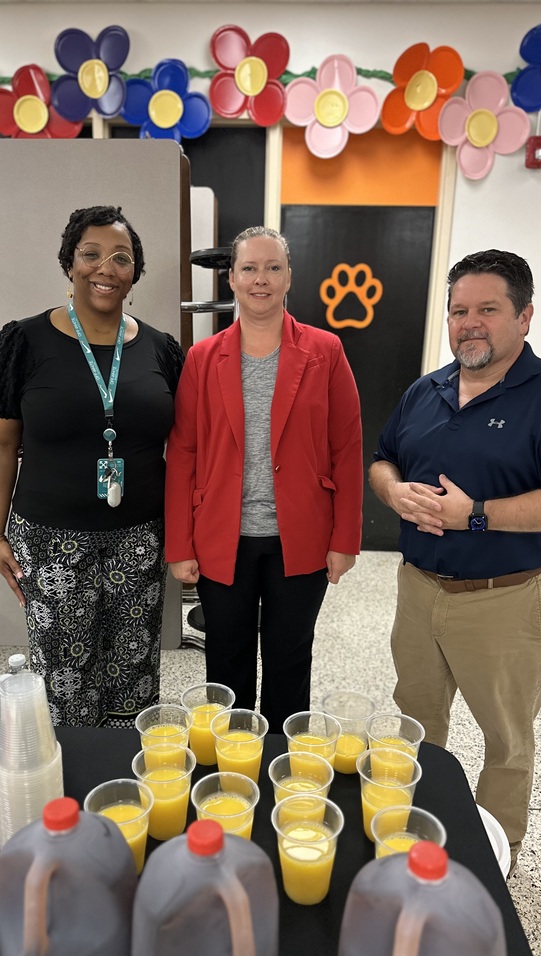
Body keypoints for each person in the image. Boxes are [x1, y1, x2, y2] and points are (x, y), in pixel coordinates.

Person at [369, 249, 541, 870]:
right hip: (419, 589)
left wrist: (475, 513)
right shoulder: (428, 389)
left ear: (524, 316)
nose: (469, 323)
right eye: (458, 311)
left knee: (505, 736)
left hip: (504, 598)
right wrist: (391, 489)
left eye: (487, 310)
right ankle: (413, 829)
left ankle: (495, 854)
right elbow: (383, 456)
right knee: (417, 719)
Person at [0, 205, 184, 728]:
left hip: (140, 537)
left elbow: (186, 449)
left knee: (134, 675)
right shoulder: (24, 342)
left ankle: (126, 783)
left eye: (121, 257)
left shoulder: (162, 350)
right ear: (69, 263)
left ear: (135, 272)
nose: (105, 267)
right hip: (49, 540)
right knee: (65, 680)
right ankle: (71, 788)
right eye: (90, 254)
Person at [165, 226, 363, 732]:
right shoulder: (202, 359)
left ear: (289, 277)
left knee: (289, 659)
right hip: (220, 537)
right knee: (226, 663)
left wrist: (345, 540)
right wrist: (179, 544)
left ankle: (281, 765)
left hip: (300, 538)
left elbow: (347, 448)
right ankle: (232, 767)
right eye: (249, 268)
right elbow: (183, 452)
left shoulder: (326, 352)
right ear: (231, 279)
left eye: (273, 268)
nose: (261, 279)